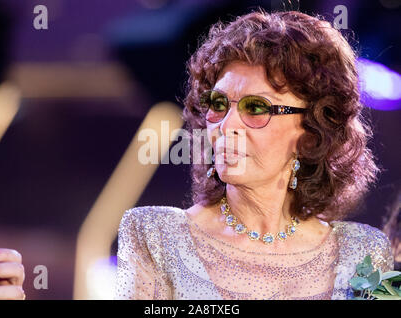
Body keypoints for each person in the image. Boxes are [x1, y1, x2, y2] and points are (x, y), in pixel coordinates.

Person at [114, 9, 394, 300]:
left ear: (313, 132)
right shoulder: (154, 236)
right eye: (219, 103)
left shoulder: (366, 253)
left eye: (256, 108)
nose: (226, 125)